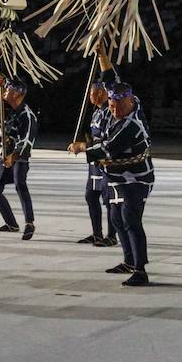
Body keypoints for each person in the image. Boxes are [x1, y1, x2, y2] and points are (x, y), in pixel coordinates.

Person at [71, 80, 154, 286]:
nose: (115, 108)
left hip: (136, 178)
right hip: (116, 177)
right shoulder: (111, 117)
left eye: (120, 104)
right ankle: (128, 260)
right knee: (116, 218)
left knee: (131, 219)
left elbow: (107, 148)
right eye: (112, 104)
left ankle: (140, 269)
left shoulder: (132, 124)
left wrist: (81, 147)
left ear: (131, 102)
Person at [0, 77, 38, 240]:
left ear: (18, 93)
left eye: (8, 89)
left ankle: (29, 222)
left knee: (20, 185)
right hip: (3, 155)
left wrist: (13, 157)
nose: (5, 91)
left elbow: (26, 143)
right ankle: (11, 224)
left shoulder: (27, 116)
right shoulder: (6, 110)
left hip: (19, 157)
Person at [74, 59, 119, 247]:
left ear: (101, 93)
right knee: (90, 196)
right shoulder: (96, 112)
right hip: (94, 162)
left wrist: (84, 146)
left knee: (109, 200)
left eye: (93, 93)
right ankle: (96, 233)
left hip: (105, 160)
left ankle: (111, 235)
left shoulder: (110, 111)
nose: (90, 96)